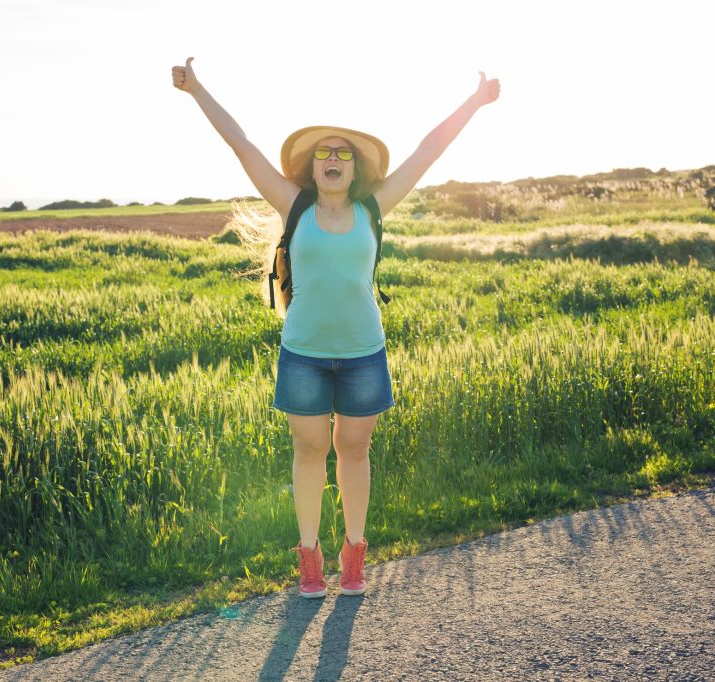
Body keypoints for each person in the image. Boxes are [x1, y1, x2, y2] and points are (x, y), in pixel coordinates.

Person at [171, 57, 500, 598]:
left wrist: (476, 100)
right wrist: (197, 89)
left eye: (342, 153)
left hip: (364, 353)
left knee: (353, 450)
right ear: (312, 165)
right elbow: (243, 145)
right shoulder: (293, 204)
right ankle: (309, 557)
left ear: (355, 167)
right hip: (302, 353)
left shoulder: (374, 207)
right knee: (308, 453)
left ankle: (353, 552)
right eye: (324, 151)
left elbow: (427, 150)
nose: (333, 158)